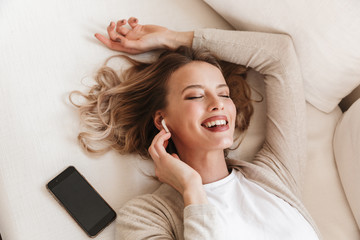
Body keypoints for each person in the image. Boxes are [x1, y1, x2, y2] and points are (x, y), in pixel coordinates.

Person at [72, 17, 321, 239]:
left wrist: (172, 38)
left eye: (224, 94)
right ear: (161, 120)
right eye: (195, 96)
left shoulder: (275, 174)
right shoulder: (145, 217)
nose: (217, 105)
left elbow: (279, 56)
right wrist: (192, 190)